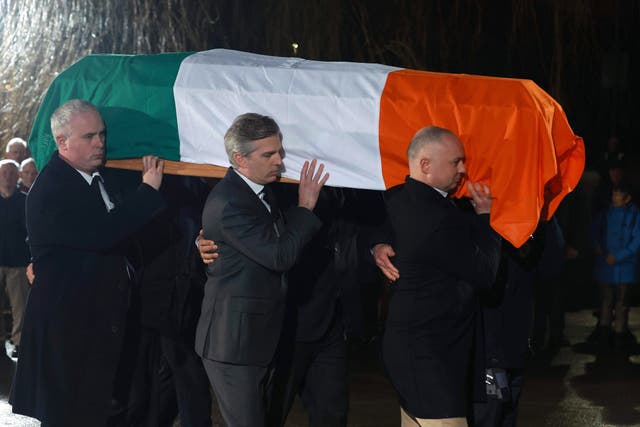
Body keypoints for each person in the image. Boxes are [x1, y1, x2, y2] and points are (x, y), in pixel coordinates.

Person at [9, 99, 167, 427]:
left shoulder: (96, 177)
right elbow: (101, 235)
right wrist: (148, 191)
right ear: (62, 142)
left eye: (102, 134)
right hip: (70, 330)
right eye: (89, 136)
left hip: (97, 322)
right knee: (72, 415)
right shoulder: (53, 188)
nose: (100, 143)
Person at [198, 186, 385, 427]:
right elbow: (237, 216)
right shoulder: (278, 175)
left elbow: (373, 218)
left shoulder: (353, 177)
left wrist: (377, 243)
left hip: (333, 318)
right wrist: (201, 239)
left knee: (332, 413)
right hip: (286, 321)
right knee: (269, 414)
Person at [196, 112, 329, 427]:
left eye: (280, 151)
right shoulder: (231, 202)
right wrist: (306, 207)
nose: (279, 161)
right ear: (240, 159)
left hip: (256, 338)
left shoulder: (259, 191)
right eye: (268, 154)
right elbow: (279, 256)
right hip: (232, 344)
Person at [373, 126, 501, 427]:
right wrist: (486, 220)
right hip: (429, 353)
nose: (464, 169)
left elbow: (374, 226)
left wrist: (375, 245)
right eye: (455, 162)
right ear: (426, 165)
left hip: (415, 347)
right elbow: (485, 273)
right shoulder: (438, 217)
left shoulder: (398, 199)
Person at [590, 183, 640, 349]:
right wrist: (600, 250)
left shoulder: (635, 215)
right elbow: (595, 234)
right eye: (614, 194)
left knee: (622, 302)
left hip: (625, 266)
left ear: (627, 198)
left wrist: (618, 256)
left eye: (619, 194)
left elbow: (636, 241)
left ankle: (620, 333)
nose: (615, 197)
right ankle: (604, 333)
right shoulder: (604, 214)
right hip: (606, 265)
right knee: (606, 300)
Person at [0, 159, 30, 359]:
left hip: (18, 261)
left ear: (18, 176)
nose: (7, 177)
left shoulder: (25, 200)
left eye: (11, 173)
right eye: (3, 173)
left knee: (20, 307)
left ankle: (19, 342)